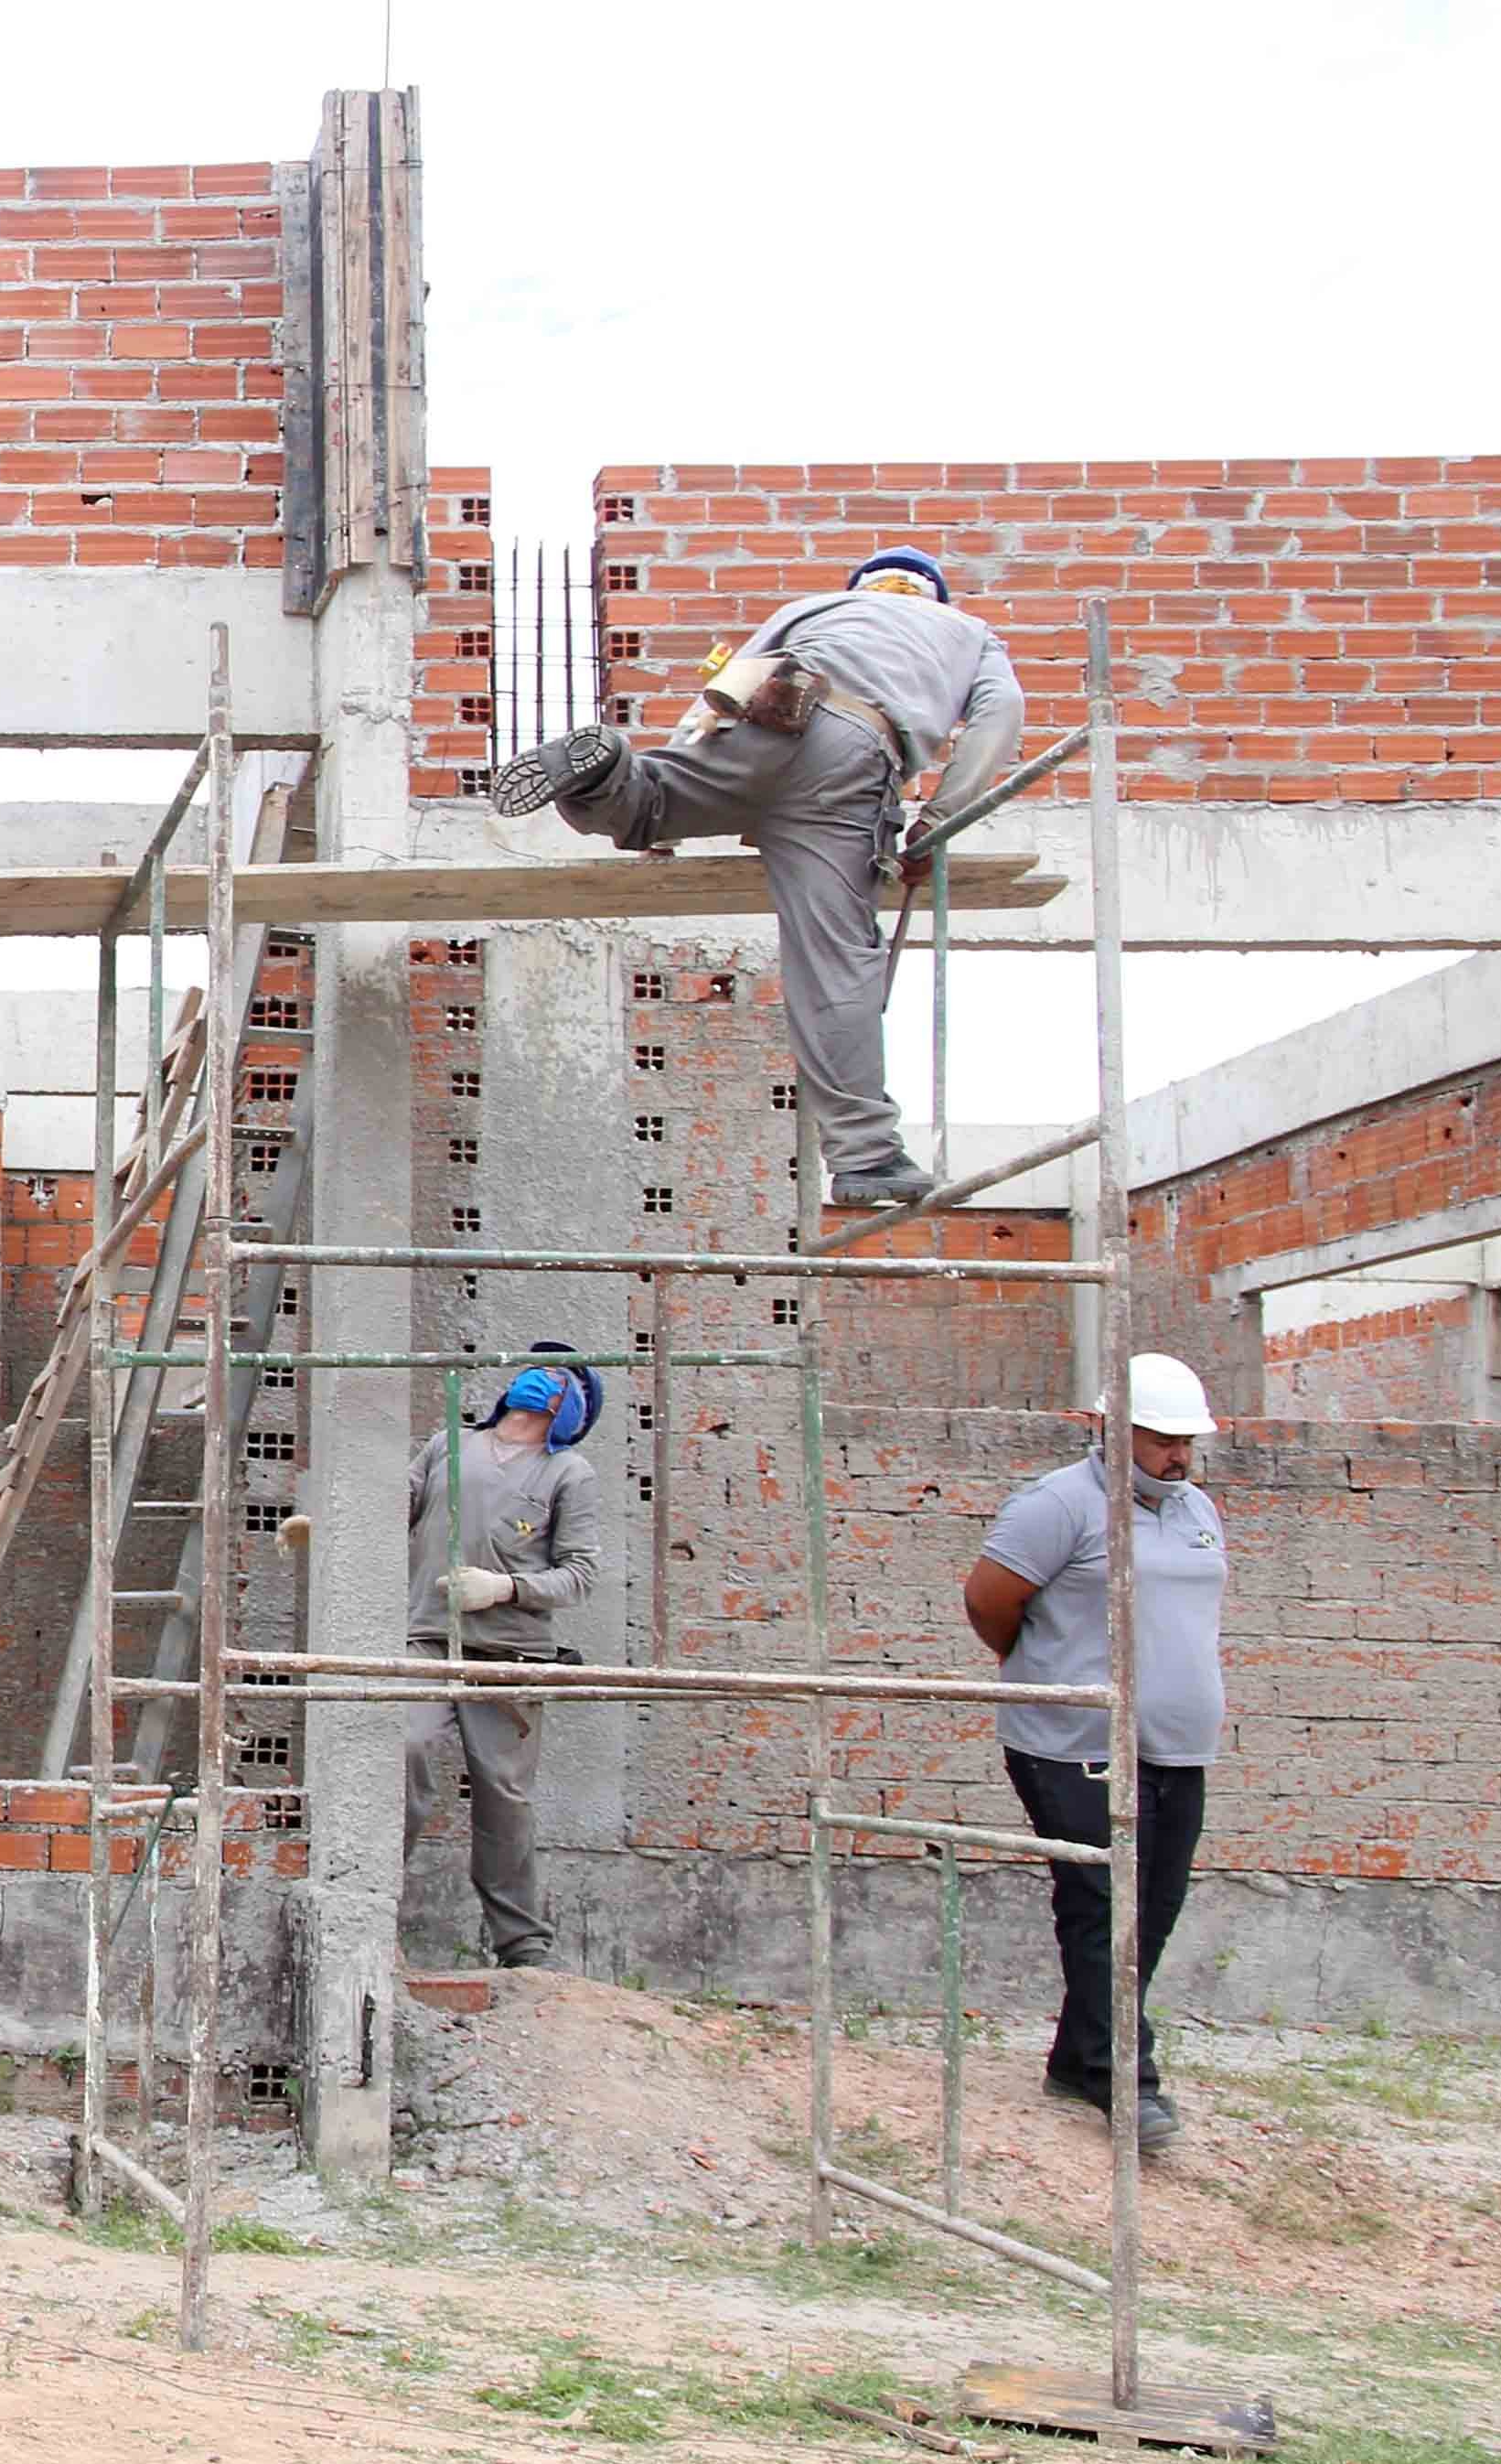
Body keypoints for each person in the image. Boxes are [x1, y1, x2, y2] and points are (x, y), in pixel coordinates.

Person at [489, 544, 1027, 1206]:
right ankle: (866, 1157)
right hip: (850, 759)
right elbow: (1000, 717)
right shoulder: (970, 634)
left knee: (650, 803)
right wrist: (938, 823)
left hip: (772, 713)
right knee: (836, 958)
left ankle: (609, 772)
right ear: (934, 596)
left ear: (865, 585)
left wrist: (678, 804)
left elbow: (726, 691)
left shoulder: (815, 608)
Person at [962, 1352, 1229, 2157]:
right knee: (1103, 1904)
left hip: (1177, 1748)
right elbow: (988, 1601)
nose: (1177, 1456)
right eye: (1160, 1440)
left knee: (1152, 1909)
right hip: (1071, 1741)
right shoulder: (1059, 1505)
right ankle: (1126, 2078)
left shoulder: (1195, 1509)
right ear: (1111, 1429)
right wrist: (1051, 1672)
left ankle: (1079, 2059)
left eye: (1187, 1441)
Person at [403, 1347, 610, 1971]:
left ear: (570, 1406)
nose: (536, 1376)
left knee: (503, 1796)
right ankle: (369, 1905)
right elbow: (397, 1505)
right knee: (403, 1750)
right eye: (533, 1367)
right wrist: (331, 1521)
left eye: (558, 1374)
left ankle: (521, 1946)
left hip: (511, 1652)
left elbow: (581, 1574)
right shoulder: (449, 1444)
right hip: (428, 1638)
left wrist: (507, 1588)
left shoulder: (568, 1473)